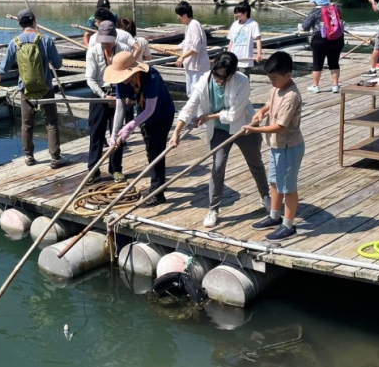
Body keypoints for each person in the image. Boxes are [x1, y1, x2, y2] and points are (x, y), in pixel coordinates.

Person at [170, 52, 270, 229]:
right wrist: (177, 131)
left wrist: (208, 116)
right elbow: (190, 106)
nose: (218, 79)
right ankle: (213, 208)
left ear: (231, 73)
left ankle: (265, 196)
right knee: (217, 166)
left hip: (244, 127)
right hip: (218, 129)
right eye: (216, 74)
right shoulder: (204, 80)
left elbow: (234, 114)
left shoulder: (242, 81)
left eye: (223, 77)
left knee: (255, 163)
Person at [242, 52, 304, 241]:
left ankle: (288, 224)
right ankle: (274, 216)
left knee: (288, 187)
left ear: (288, 75)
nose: (272, 82)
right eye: (270, 79)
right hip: (276, 147)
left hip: (289, 147)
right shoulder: (276, 88)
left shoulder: (292, 95)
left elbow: (280, 126)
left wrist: (255, 130)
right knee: (274, 182)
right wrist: (261, 112)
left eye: (275, 78)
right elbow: (269, 105)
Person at [0, 9, 66, 169]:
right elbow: (58, 63)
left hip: (25, 88)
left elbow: (6, 63)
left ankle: (29, 156)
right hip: (45, 87)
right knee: (51, 122)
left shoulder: (15, 42)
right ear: (35, 20)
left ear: (20, 23)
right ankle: (55, 157)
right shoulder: (45, 39)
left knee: (27, 124)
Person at [105, 52, 175, 206]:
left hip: (162, 114)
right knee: (150, 151)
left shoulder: (151, 77)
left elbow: (150, 109)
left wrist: (130, 126)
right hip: (144, 115)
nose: (121, 80)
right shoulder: (122, 83)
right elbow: (120, 109)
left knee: (157, 151)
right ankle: (157, 184)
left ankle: (157, 193)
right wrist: (115, 134)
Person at [85, 21, 132, 183]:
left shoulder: (124, 50)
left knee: (117, 133)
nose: (105, 45)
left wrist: (128, 94)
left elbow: (130, 74)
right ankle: (93, 170)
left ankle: (116, 168)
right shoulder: (92, 52)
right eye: (102, 41)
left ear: (115, 38)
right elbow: (90, 79)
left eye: (108, 42)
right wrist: (103, 96)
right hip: (99, 94)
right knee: (96, 132)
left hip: (120, 92)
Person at [301, 0, 344, 93]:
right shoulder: (336, 8)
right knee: (334, 63)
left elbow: (305, 26)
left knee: (317, 63)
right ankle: (335, 86)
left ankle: (315, 86)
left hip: (320, 39)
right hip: (337, 38)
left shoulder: (315, 11)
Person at [174, 1, 211, 96]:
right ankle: (194, 110)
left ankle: (199, 111)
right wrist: (173, 48)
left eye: (179, 15)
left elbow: (195, 47)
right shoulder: (189, 26)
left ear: (185, 15)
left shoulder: (194, 25)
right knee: (191, 92)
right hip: (191, 66)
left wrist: (182, 57)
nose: (178, 17)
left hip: (197, 67)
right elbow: (187, 43)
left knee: (197, 93)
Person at [226, 0, 262, 76]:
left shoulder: (253, 24)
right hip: (233, 59)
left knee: (243, 81)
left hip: (245, 60)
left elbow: (258, 39)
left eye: (239, 12)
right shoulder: (234, 24)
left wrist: (259, 54)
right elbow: (231, 41)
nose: (237, 15)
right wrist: (228, 54)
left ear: (245, 12)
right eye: (236, 12)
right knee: (231, 80)